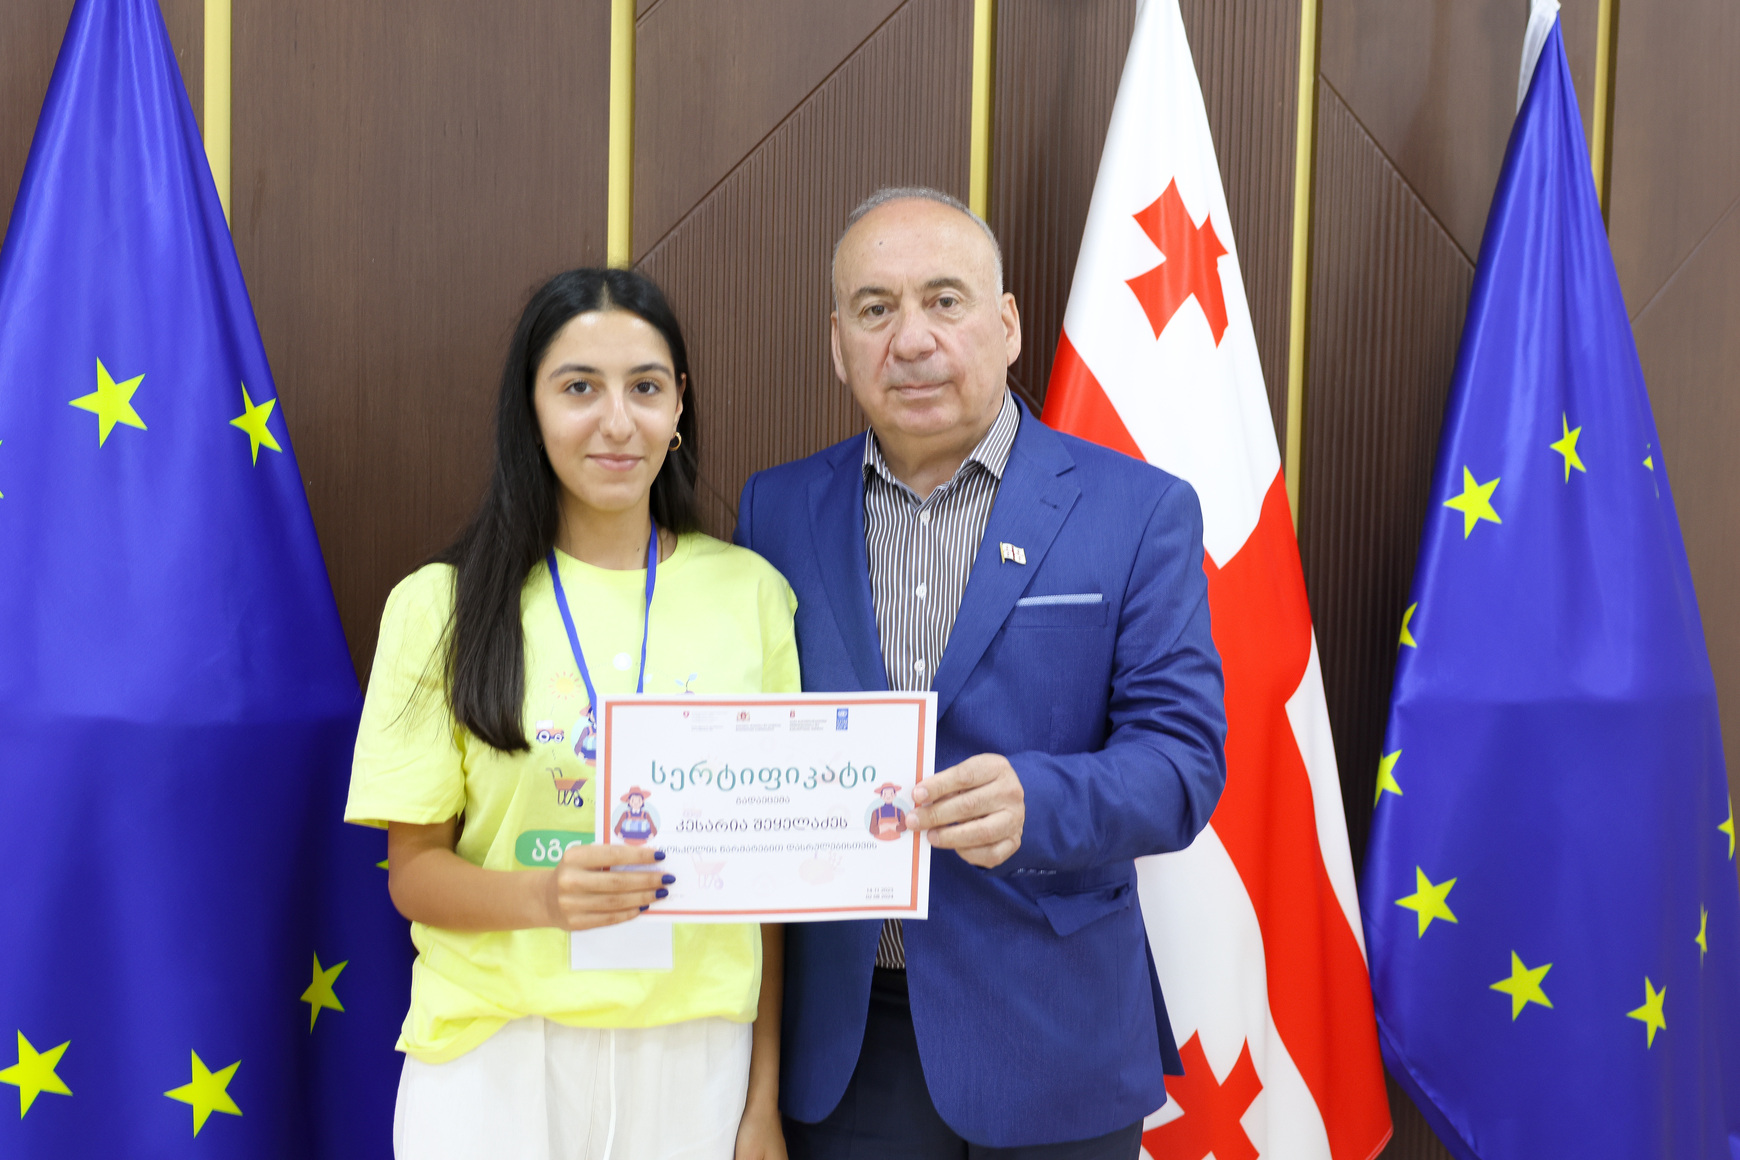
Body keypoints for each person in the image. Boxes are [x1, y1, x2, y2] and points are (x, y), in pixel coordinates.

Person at [734, 189, 1227, 1158]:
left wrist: (1037, 800)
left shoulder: (1137, 511)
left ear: (1007, 326)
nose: (911, 339)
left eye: (944, 300)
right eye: (875, 308)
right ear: (837, 344)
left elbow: (1182, 765)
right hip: (848, 1043)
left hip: (1055, 1030)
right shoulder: (775, 511)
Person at [346, 268, 797, 1160]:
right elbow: (414, 873)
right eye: (580, 387)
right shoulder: (439, 606)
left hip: (694, 1053)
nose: (617, 422)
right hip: (493, 1050)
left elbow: (771, 884)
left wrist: (761, 1101)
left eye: (645, 388)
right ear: (531, 407)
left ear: (679, 407)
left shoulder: (751, 593)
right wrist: (546, 898)